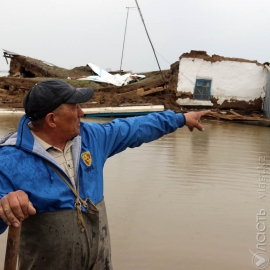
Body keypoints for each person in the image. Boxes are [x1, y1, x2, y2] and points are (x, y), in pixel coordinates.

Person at [0, 79, 209, 270]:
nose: (82, 112)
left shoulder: (91, 138)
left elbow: (135, 128)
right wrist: (5, 206)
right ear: (52, 119)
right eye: (74, 107)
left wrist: (180, 119)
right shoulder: (10, 160)